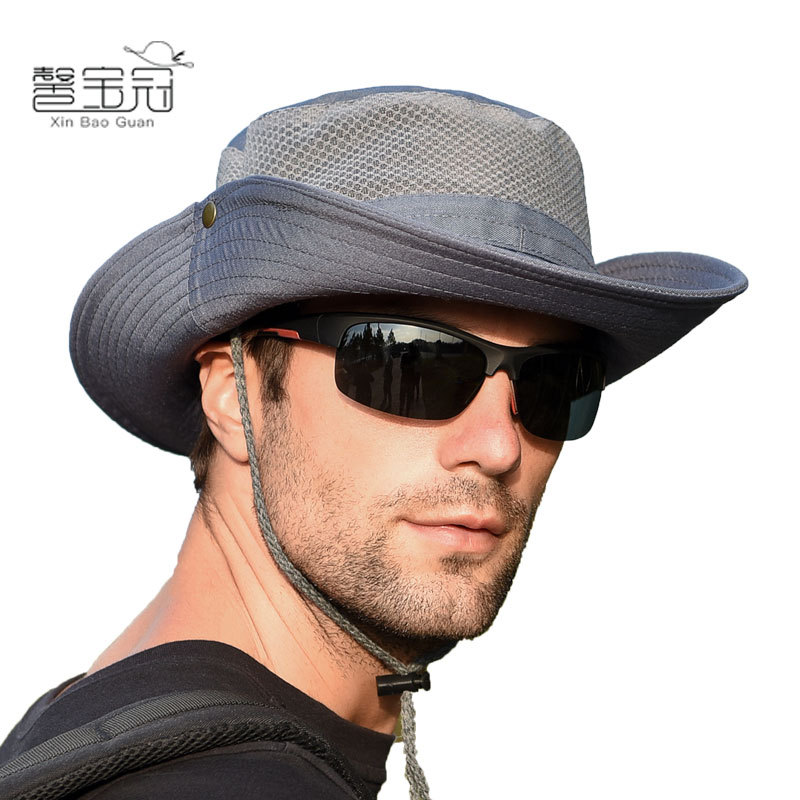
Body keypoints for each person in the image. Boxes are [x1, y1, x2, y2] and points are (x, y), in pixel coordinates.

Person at [0, 86, 747, 799]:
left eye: (554, 384)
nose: (499, 446)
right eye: (411, 363)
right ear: (234, 393)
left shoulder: (86, 725)